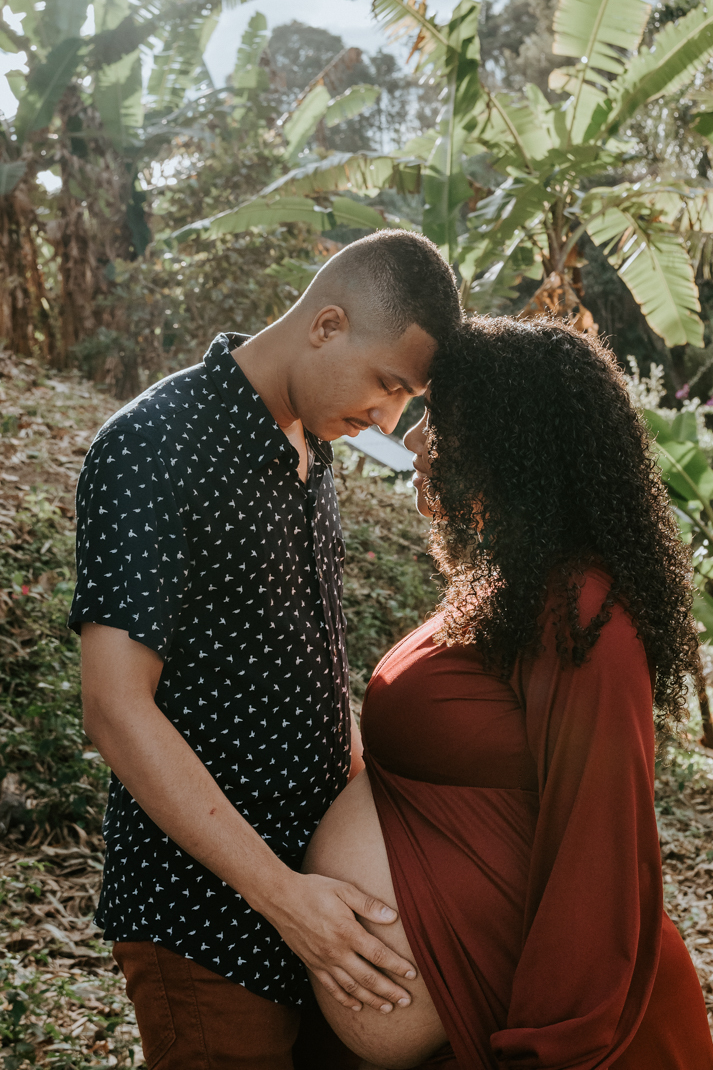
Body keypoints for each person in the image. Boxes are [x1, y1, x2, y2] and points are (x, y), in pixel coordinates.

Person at [70, 231, 462, 1070]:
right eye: (390, 386)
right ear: (326, 325)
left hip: (317, 903)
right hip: (205, 921)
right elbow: (113, 705)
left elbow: (307, 663)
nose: (390, 422)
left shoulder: (311, 449)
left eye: (408, 401)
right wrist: (284, 899)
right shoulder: (153, 444)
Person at [303, 315, 713, 1070]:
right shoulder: (510, 589)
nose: (415, 441)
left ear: (513, 439)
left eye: (443, 422)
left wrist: (544, 1053)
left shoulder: (583, 608)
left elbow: (598, 846)